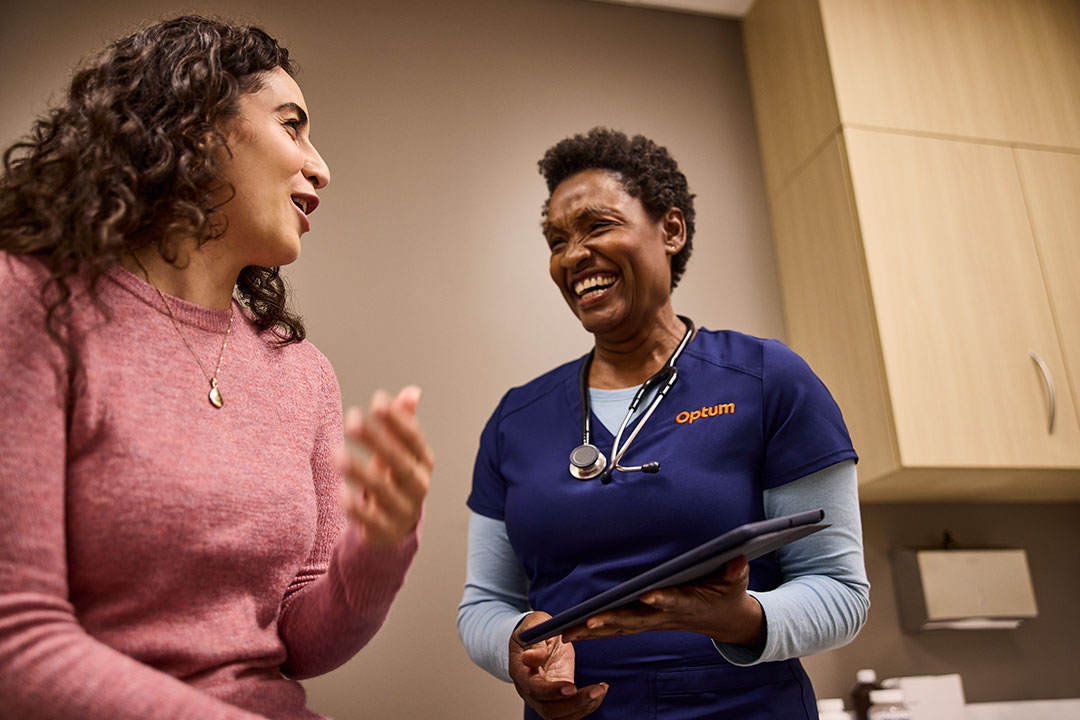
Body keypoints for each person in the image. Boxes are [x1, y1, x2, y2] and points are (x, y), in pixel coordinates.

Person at [0, 16, 432, 720]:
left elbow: (300, 643)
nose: (320, 166)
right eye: (292, 126)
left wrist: (380, 547)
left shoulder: (303, 373)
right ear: (197, 130)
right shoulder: (31, 302)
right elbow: (17, 643)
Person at [458, 127, 869, 719]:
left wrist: (740, 618)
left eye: (597, 227)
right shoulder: (515, 419)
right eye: (556, 239)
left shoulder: (767, 380)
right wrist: (518, 644)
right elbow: (484, 602)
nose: (573, 255)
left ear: (671, 230)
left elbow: (841, 591)